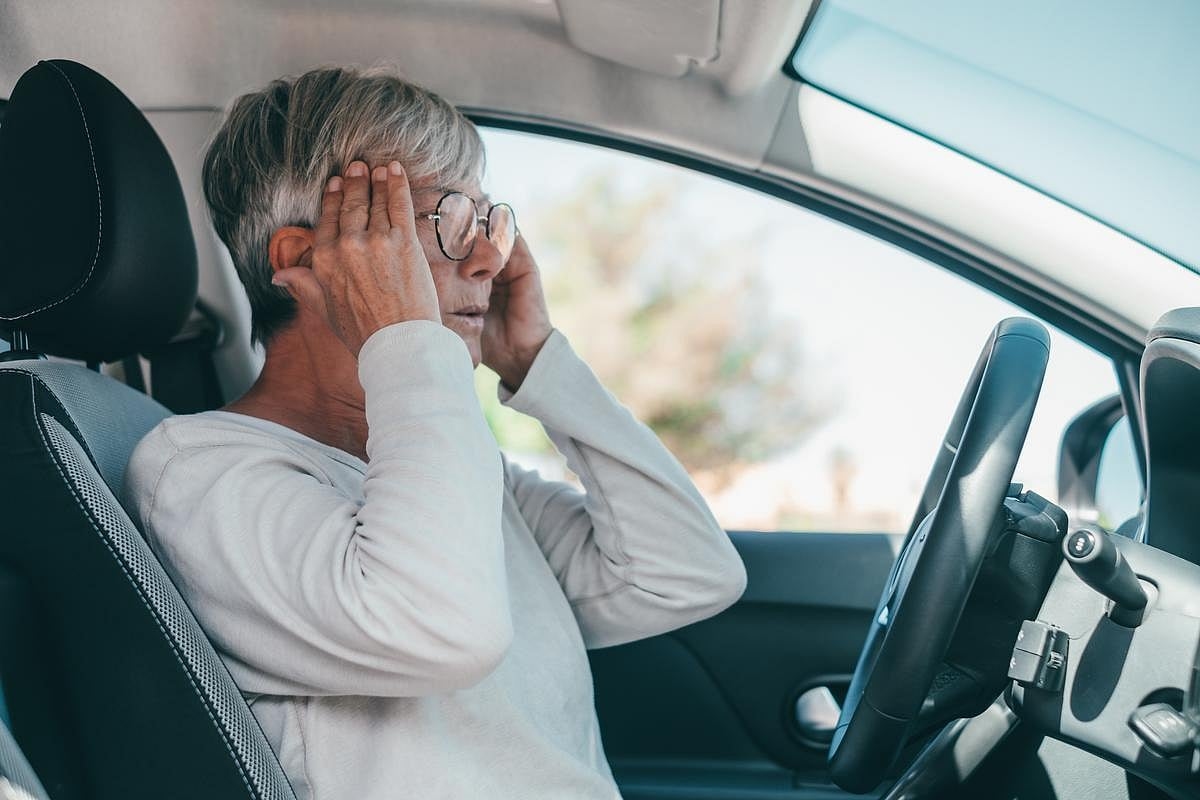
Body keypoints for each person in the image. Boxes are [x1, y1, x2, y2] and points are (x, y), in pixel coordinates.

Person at [123, 66, 746, 799]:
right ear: (303, 260)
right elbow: (444, 630)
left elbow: (688, 574)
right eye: (448, 221)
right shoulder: (199, 475)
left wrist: (540, 365)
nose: (488, 259)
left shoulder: (452, 469)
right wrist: (408, 339)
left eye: (488, 222)